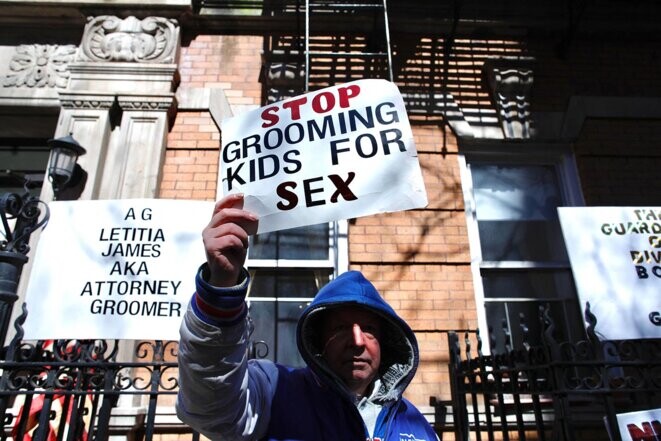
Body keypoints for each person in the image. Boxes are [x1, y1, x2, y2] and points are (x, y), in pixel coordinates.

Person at [176, 193, 438, 441]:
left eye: (369, 328)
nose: (357, 341)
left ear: (385, 341)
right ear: (318, 340)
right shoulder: (273, 392)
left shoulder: (415, 423)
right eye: (341, 327)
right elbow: (211, 407)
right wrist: (221, 288)